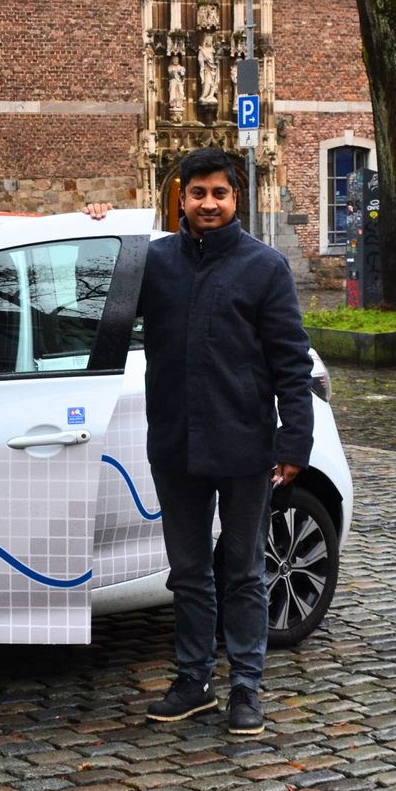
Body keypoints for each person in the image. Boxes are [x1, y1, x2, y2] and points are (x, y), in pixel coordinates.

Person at [86, 146, 313, 736]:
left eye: (219, 193)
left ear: (235, 198)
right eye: (197, 193)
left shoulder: (266, 267)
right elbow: (94, 307)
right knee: (187, 572)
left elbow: (291, 364)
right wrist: (101, 230)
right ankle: (193, 682)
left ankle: (245, 687)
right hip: (175, 445)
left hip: (245, 447)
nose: (208, 204)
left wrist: (294, 445)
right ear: (180, 197)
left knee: (240, 571)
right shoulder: (153, 263)